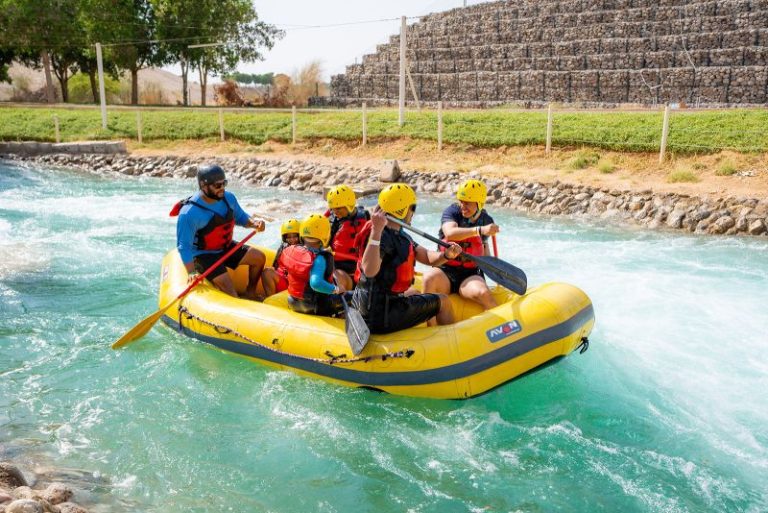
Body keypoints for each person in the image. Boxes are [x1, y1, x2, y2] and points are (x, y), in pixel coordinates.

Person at [352, 183, 462, 334]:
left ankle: (433, 332)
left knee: (415, 292)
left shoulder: (399, 234)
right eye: (413, 208)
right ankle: (450, 346)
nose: (413, 212)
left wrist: (446, 255)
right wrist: (376, 231)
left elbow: (428, 258)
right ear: (403, 210)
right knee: (443, 301)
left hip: (373, 304)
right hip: (380, 315)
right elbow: (369, 271)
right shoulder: (379, 235)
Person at [171, 164, 266, 299]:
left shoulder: (229, 198)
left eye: (224, 183)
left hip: (225, 248)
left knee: (259, 258)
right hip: (203, 255)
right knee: (232, 294)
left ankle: (250, 292)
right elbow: (184, 247)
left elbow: (241, 217)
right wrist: (191, 272)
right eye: (217, 185)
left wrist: (254, 223)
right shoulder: (189, 213)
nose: (222, 188)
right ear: (204, 186)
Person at [422, 179, 500, 322]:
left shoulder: (486, 220)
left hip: (469, 275)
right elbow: (450, 233)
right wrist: (479, 230)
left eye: (467, 203)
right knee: (428, 279)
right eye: (461, 201)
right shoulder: (452, 211)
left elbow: (484, 251)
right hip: (445, 270)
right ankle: (431, 331)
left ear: (479, 203)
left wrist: (494, 268)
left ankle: (501, 328)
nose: (463, 206)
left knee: (483, 293)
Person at [282, 214, 347, 316]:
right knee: (351, 295)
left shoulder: (291, 250)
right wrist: (336, 289)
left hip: (293, 301)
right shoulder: (319, 258)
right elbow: (316, 283)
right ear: (325, 235)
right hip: (315, 306)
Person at [325, 185, 370, 291]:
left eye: (339, 208)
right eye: (333, 209)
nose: (335, 212)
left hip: (363, 269)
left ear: (350, 205)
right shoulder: (332, 222)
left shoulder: (365, 216)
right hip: (341, 271)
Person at [261, 218, 301, 298]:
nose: (292, 240)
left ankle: (271, 301)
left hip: (290, 286)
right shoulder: (283, 247)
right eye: (289, 237)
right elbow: (275, 266)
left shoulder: (303, 250)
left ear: (300, 236)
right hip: (281, 280)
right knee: (267, 271)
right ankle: (270, 298)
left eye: (295, 236)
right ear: (284, 238)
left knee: (267, 272)